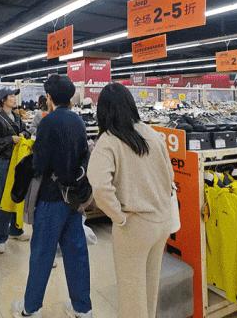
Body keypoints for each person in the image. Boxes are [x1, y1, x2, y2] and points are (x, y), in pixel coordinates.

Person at [87, 83, 174, 318]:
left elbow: (99, 186)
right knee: (150, 285)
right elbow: (170, 176)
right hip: (161, 220)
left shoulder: (108, 140)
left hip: (134, 225)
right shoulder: (152, 133)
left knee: (131, 291)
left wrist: (118, 216)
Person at [12, 75, 92, 318]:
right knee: (76, 251)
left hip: (50, 197)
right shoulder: (78, 121)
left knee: (42, 253)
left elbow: (40, 163)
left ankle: (31, 308)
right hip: (73, 198)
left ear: (49, 97)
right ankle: (82, 308)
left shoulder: (48, 123)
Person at [0, 88, 31, 253]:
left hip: (18, 162)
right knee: (3, 199)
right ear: (3, 100)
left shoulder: (16, 117)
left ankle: (15, 230)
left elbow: (26, 130)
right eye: (11, 96)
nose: (14, 98)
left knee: (17, 195)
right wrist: (10, 139)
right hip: (5, 164)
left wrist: (23, 135)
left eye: (14, 96)